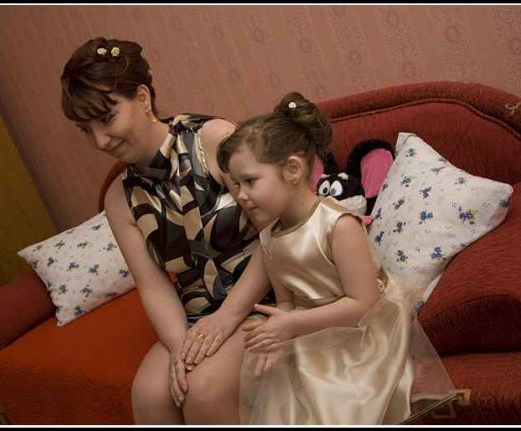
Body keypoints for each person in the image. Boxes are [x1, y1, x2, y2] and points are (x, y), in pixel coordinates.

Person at [60, 37, 275, 424]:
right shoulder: (118, 199)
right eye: (85, 130)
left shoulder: (213, 140)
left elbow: (275, 232)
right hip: (196, 316)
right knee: (148, 396)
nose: (99, 141)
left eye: (106, 119)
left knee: (203, 391)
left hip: (266, 293)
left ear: (142, 97)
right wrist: (180, 349)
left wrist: (227, 318)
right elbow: (152, 284)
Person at [216, 91, 457, 425]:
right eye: (236, 184)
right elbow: (287, 302)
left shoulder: (338, 225)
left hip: (363, 334)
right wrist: (276, 331)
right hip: (310, 333)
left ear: (292, 169)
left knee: (332, 403)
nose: (241, 195)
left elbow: (363, 303)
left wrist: (292, 324)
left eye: (250, 181)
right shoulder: (269, 237)